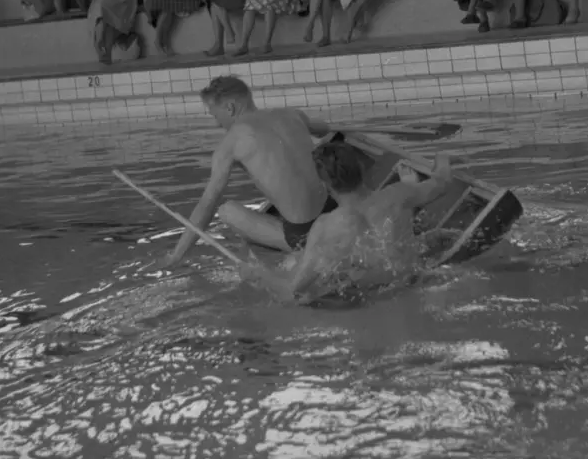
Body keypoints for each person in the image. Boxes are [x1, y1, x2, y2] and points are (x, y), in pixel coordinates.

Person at [239, 141, 455, 304]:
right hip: (410, 282)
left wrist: (258, 275)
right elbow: (443, 182)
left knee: (293, 262)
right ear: (362, 170)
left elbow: (293, 291)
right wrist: (442, 155)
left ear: (324, 186)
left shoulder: (327, 226)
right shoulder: (399, 194)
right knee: (436, 237)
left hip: (370, 300)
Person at [169, 76, 334, 265]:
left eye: (215, 115)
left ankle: (293, 248)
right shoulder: (291, 114)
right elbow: (323, 129)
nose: (217, 124)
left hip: (302, 236)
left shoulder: (231, 143)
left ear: (229, 108)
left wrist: (175, 257)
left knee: (226, 211)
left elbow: (206, 206)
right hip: (332, 213)